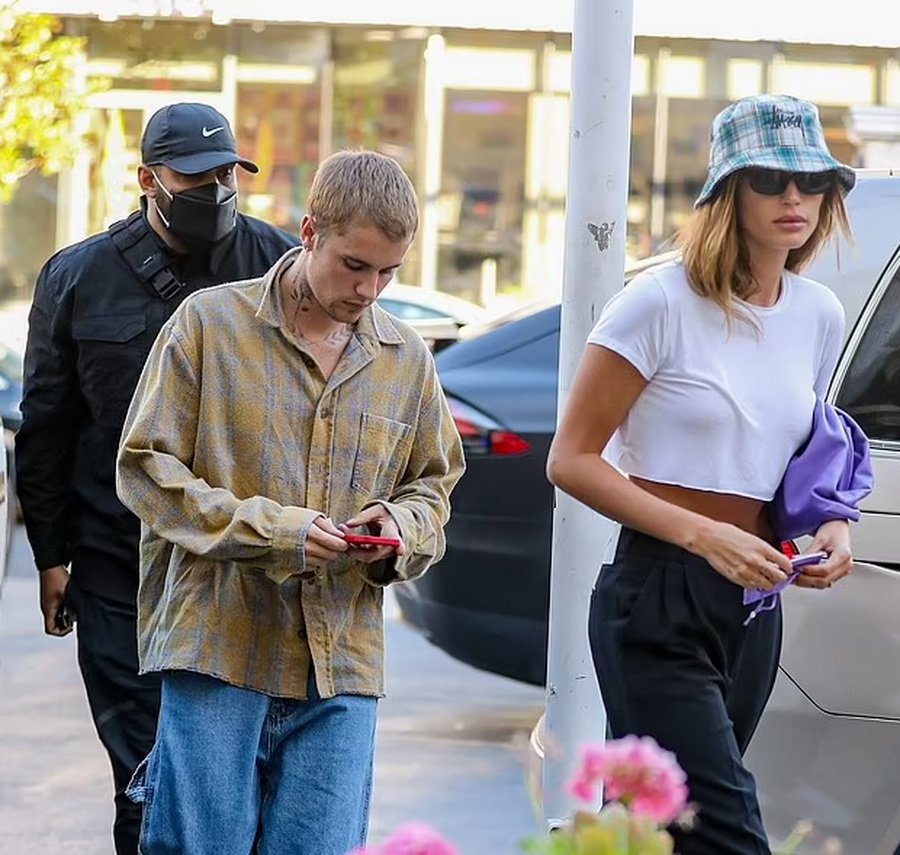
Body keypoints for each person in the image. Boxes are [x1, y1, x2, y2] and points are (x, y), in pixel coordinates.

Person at [114, 149, 465, 855]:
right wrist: (275, 531)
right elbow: (145, 469)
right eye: (355, 265)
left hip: (342, 660)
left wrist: (400, 524)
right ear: (309, 232)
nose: (370, 289)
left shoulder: (406, 359)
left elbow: (434, 485)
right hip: (218, 643)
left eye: (389, 271)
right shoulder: (209, 324)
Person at [546, 94, 857, 854]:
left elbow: (803, 453)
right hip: (658, 597)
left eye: (812, 182)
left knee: (671, 837)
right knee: (727, 835)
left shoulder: (817, 313)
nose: (795, 199)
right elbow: (571, 459)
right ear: (728, 192)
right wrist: (703, 535)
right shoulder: (656, 302)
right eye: (770, 180)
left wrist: (831, 524)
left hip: (754, 603)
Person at [15, 101, 298, 855]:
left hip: (244, 569)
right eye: (194, 177)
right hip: (120, 566)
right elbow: (47, 426)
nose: (215, 191)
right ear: (148, 178)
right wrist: (51, 555)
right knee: (147, 776)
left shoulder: (277, 265)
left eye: (227, 175)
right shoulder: (78, 277)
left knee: (242, 782)